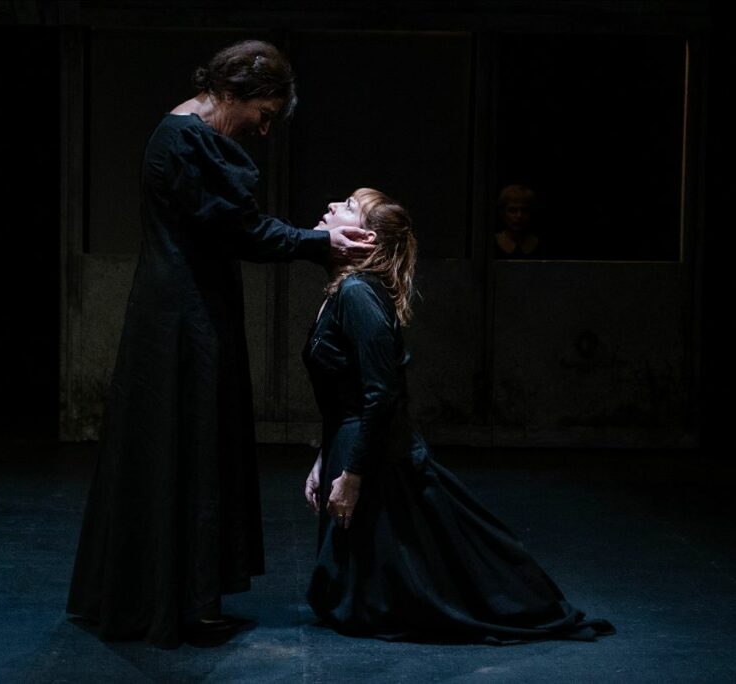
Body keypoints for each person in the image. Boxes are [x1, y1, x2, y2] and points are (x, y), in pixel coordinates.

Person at [66, 40, 372, 648]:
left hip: (189, 303)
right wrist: (319, 244)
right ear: (235, 92)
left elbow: (230, 228)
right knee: (190, 441)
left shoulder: (189, 135)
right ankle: (178, 600)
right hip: (181, 315)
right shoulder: (185, 139)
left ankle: (186, 594)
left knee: (194, 441)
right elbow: (241, 229)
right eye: (263, 115)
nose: (263, 130)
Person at [303, 188, 614, 643]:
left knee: (431, 566)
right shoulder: (342, 293)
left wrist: (352, 474)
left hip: (372, 452)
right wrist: (324, 455)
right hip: (350, 443)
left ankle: (519, 603)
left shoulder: (356, 294)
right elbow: (343, 393)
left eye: (349, 206)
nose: (332, 206)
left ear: (365, 238)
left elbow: (381, 393)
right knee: (370, 588)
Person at [493, 184, 541, 259]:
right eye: (512, 210)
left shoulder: (541, 244)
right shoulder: (490, 245)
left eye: (524, 210)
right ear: (502, 213)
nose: (519, 216)